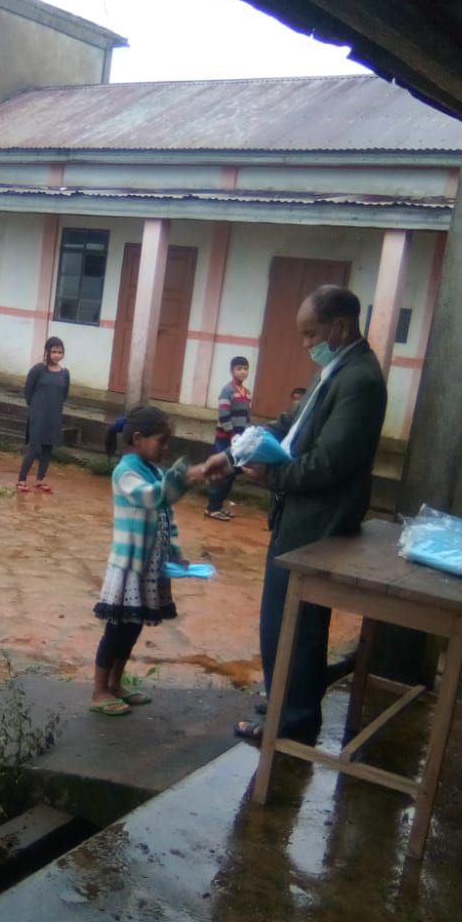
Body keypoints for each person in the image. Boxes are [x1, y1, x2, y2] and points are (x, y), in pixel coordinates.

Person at [203, 284, 387, 745]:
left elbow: (330, 463)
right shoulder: (337, 370)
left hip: (317, 523)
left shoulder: (360, 381)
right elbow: (289, 424)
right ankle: (286, 698)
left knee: (294, 624)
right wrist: (232, 454)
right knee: (285, 620)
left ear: (339, 327)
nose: (306, 344)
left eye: (311, 334)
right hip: (299, 518)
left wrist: (271, 479)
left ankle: (294, 722)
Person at [91, 406, 205, 715]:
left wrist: (176, 554)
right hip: (128, 568)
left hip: (148, 568)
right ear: (138, 439)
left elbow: (167, 515)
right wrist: (188, 475)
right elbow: (155, 497)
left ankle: (116, 684)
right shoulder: (125, 473)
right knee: (115, 631)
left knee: (132, 628)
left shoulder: (153, 471)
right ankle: (99, 690)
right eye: (162, 440)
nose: (165, 448)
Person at [17, 337, 69, 493]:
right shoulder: (38, 370)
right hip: (38, 414)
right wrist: (35, 408)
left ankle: (40, 479)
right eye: (54, 351)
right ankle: (21, 479)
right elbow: (28, 392)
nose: (57, 355)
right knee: (34, 446)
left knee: (48, 447)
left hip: (55, 414)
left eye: (60, 352)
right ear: (47, 352)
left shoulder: (65, 373)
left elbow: (64, 394)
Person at [205, 355, 251, 521]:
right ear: (232, 371)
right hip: (225, 438)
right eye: (239, 368)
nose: (243, 371)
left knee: (231, 473)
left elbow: (246, 416)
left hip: (238, 440)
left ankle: (219, 505)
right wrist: (232, 433)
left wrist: (246, 434)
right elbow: (224, 414)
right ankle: (212, 508)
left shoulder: (247, 393)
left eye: (245, 368)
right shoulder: (227, 390)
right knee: (221, 472)